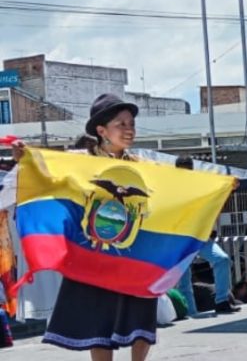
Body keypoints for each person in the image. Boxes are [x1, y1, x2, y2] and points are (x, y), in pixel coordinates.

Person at [13, 94, 156, 360]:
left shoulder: (143, 166)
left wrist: (219, 185)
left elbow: (176, 188)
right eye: (121, 123)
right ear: (101, 130)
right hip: (94, 254)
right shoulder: (80, 162)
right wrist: (27, 158)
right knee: (97, 323)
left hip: (132, 252)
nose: (129, 129)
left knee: (141, 316)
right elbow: (48, 176)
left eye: (131, 123)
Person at [175, 156, 240, 315]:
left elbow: (216, 194)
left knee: (222, 259)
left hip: (199, 236)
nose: (186, 172)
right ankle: (190, 313)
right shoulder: (172, 189)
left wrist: (229, 186)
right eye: (184, 169)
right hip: (180, 238)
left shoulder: (199, 185)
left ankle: (222, 301)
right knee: (184, 279)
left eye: (188, 169)